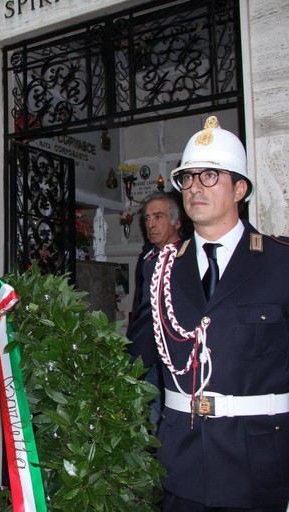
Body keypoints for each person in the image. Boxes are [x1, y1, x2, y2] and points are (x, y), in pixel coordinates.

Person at [127, 116, 289, 511]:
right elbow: (138, 353)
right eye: (188, 177)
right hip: (182, 464)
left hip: (259, 463)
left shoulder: (279, 262)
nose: (196, 186)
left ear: (239, 189)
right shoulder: (161, 268)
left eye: (210, 175)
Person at [129, 191, 184, 433]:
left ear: (176, 221)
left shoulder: (189, 256)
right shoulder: (147, 258)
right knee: (148, 420)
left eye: (158, 216)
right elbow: (140, 304)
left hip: (177, 354)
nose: (151, 224)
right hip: (146, 352)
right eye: (147, 218)